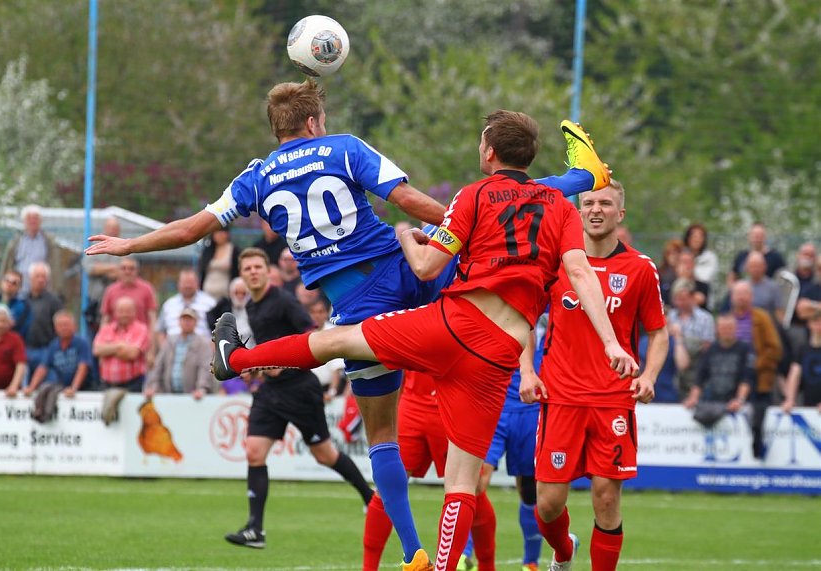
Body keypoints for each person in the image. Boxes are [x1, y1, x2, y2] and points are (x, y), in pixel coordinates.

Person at [86, 78, 609, 567]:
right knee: (512, 206)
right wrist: (464, 222)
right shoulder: (344, 147)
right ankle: (582, 178)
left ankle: (413, 552)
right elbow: (405, 200)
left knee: (381, 432)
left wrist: (129, 243)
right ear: (314, 122)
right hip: (410, 271)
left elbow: (190, 230)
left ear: (278, 128)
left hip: (357, 300)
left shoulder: (256, 177)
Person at [210, 111, 637, 571]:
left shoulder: (472, 195)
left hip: (453, 326)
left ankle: (237, 358)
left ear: (488, 152)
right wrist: (612, 342)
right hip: (500, 356)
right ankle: (446, 566)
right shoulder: (556, 205)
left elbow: (427, 268)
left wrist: (404, 236)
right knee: (462, 483)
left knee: (335, 341)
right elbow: (578, 271)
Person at [523, 180, 668, 571]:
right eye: (588, 203)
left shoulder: (639, 268)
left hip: (612, 400)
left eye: (605, 203)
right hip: (560, 396)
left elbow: (658, 332)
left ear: (620, 214)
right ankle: (564, 551)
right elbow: (524, 319)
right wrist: (526, 372)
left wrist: (649, 376)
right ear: (578, 211)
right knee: (549, 504)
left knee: (606, 498)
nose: (595, 209)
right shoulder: (556, 264)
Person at [223, 248, 374, 550]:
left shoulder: (283, 300)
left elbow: (312, 334)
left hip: (300, 390)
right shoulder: (252, 306)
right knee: (254, 452)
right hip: (270, 392)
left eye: (257, 266)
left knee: (324, 455)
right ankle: (255, 529)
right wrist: (257, 368)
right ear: (242, 274)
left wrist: (285, 363)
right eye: (247, 268)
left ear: (268, 271)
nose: (253, 271)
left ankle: (371, 499)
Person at [363, 370, 497, 571]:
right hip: (412, 403)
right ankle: (369, 567)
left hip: (452, 403)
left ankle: (487, 565)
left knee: (472, 488)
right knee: (385, 488)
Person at [477, 338, 544, 571]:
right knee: (476, 479)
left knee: (529, 491)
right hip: (495, 403)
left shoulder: (554, 309)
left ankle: (531, 562)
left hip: (532, 407)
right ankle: (465, 556)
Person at [729, 280, 782, 457]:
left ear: (751, 297)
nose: (741, 298)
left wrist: (754, 366)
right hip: (733, 377)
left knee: (758, 416)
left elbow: (774, 348)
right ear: (732, 297)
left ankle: (758, 450)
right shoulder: (727, 318)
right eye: (738, 294)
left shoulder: (762, 317)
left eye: (745, 294)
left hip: (759, 377)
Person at [682, 314, 753, 416]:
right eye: (724, 328)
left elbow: (747, 378)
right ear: (717, 329)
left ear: (736, 328)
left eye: (730, 328)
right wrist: (693, 398)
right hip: (713, 403)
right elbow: (700, 378)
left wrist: (739, 400)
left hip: (737, 406)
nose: (727, 331)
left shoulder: (745, 349)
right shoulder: (710, 350)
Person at [143, 307, 215, 400]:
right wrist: (153, 387)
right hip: (169, 396)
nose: (187, 322)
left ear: (196, 322)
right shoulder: (170, 341)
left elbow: (205, 368)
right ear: (179, 321)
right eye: (184, 319)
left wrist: (201, 389)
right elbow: (158, 366)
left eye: (190, 319)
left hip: (193, 398)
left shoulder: (203, 344)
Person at [23, 310, 93, 398]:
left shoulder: (82, 343)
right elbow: (42, 368)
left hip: (86, 390)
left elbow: (83, 367)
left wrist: (73, 388)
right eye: (60, 325)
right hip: (63, 389)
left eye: (66, 325)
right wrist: (31, 387)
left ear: (74, 326)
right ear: (55, 328)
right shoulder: (53, 346)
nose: (64, 328)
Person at [0, 204, 64, 297]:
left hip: (41, 293)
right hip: (18, 292)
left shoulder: (48, 242)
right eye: (29, 218)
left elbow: (55, 268)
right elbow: (7, 265)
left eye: (36, 218)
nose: (32, 221)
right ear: (24, 221)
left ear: (41, 221)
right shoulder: (16, 242)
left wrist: (56, 290)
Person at [667, 279, 715, 398]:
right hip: (672, 370)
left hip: (696, 371)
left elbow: (708, 349)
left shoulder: (705, 319)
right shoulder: (670, 317)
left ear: (692, 297)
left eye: (683, 299)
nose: (680, 303)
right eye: (677, 299)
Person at [93, 296, 150, 393]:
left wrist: (108, 350)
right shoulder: (106, 329)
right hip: (106, 385)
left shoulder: (141, 329)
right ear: (115, 313)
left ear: (135, 312)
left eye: (128, 311)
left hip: (133, 385)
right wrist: (120, 346)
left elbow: (132, 354)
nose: (124, 314)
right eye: (121, 311)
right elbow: (96, 350)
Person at [23, 262, 64, 378]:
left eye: (44, 277)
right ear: (30, 278)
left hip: (46, 350)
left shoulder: (54, 301)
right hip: (24, 350)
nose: (41, 280)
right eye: (37, 276)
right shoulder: (22, 300)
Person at [155, 268, 216, 344]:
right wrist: (165, 349)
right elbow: (160, 330)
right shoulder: (169, 305)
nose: (187, 285)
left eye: (191, 282)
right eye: (184, 282)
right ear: (178, 284)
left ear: (197, 283)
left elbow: (218, 331)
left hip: (203, 352)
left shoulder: (210, 303)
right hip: (173, 350)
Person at [100, 256, 157, 329]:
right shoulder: (110, 290)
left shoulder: (147, 289)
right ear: (118, 270)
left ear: (137, 270)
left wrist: (151, 338)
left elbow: (152, 318)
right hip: (115, 338)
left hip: (140, 338)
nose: (127, 272)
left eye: (131, 269)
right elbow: (105, 319)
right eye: (124, 268)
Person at [781, 311, 821, 412]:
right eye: (816, 322)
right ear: (809, 324)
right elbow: (794, 375)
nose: (819, 326)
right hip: (808, 404)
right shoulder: (803, 349)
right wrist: (790, 399)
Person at [728, 222, 786, 286]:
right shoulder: (741, 256)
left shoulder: (775, 257)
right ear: (749, 236)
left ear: (765, 237)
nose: (757, 239)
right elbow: (732, 277)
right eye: (755, 236)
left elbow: (784, 278)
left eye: (760, 236)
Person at [207, 276, 255, 346]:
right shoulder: (224, 306)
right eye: (237, 293)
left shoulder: (254, 308)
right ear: (231, 293)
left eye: (243, 293)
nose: (240, 296)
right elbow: (209, 316)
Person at [198, 228, 240, 300]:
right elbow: (202, 271)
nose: (219, 235)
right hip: (207, 293)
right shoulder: (207, 250)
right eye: (217, 232)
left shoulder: (234, 251)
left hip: (226, 295)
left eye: (222, 232)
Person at [682, 223, 718, 287]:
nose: (697, 240)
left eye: (700, 237)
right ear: (688, 238)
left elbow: (705, 278)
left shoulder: (710, 257)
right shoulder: (681, 255)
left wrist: (689, 272)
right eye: (694, 236)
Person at [657, 239, 684, 306]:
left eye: (676, 253)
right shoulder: (660, 272)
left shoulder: (686, 272)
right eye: (670, 253)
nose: (673, 256)